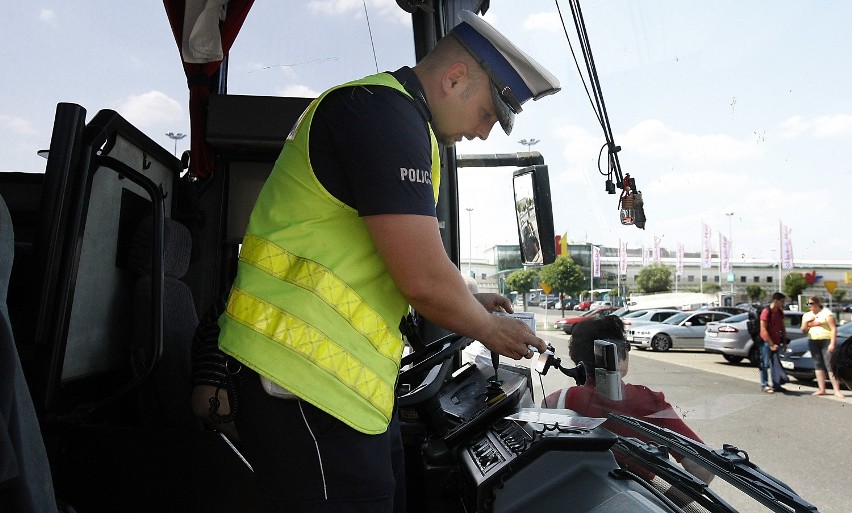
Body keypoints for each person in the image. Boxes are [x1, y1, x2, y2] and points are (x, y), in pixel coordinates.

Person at [216, 11, 557, 513]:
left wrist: (469, 300)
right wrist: (487, 327)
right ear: (455, 78)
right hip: (299, 380)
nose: (485, 132)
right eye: (488, 113)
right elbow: (420, 277)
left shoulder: (399, 120)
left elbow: (403, 263)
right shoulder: (381, 113)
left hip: (341, 391)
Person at [541, 315, 713, 486]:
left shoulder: (556, 401)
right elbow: (704, 470)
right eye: (626, 347)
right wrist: (668, 502)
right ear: (616, 354)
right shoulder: (651, 403)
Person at [800, 296, 842, 398]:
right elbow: (803, 330)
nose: (810, 306)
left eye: (812, 303)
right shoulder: (806, 315)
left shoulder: (826, 313)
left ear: (817, 303)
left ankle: (836, 390)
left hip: (826, 340)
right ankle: (821, 389)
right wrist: (806, 322)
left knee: (830, 364)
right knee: (818, 364)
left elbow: (833, 328)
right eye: (808, 304)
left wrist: (832, 343)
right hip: (813, 340)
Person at [759, 292, 789, 394]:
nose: (783, 303)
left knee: (774, 364)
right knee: (764, 363)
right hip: (766, 343)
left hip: (776, 343)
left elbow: (782, 328)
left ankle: (776, 384)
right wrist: (771, 344)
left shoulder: (780, 312)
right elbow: (763, 329)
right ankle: (764, 384)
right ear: (775, 301)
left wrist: (784, 342)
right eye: (782, 301)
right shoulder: (766, 311)